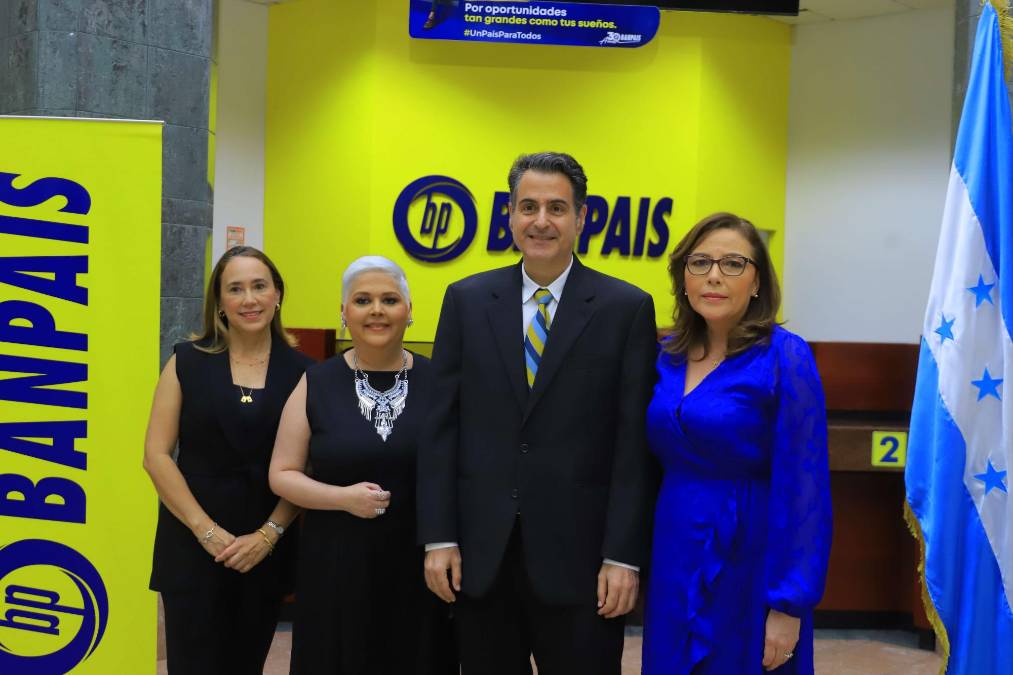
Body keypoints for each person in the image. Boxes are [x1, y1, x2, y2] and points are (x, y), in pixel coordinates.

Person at [418, 152, 658, 675]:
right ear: (509, 215)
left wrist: (622, 555)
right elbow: (441, 431)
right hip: (482, 560)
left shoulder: (626, 309)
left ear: (582, 217)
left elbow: (632, 446)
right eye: (528, 207)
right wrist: (440, 537)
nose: (541, 221)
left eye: (556, 207)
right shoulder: (466, 301)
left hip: (584, 566)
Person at [642, 213, 832, 674]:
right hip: (674, 546)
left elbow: (804, 486)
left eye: (732, 263)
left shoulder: (785, 355)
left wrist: (788, 604)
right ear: (682, 277)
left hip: (752, 553)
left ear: (757, 281)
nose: (714, 276)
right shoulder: (665, 355)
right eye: (700, 262)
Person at [269, 256, 456, 675]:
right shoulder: (316, 382)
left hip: (420, 567)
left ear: (409, 311)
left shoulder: (441, 383)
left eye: (389, 300)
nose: (376, 310)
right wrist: (342, 498)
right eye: (362, 300)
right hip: (336, 566)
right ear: (343, 312)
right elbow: (282, 474)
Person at [144, 245, 313, 674]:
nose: (249, 299)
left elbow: (307, 468)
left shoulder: (306, 373)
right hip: (192, 545)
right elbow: (156, 456)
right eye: (235, 289)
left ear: (277, 294)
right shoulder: (185, 361)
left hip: (264, 550)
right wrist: (206, 532)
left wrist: (269, 535)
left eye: (259, 286)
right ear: (219, 301)